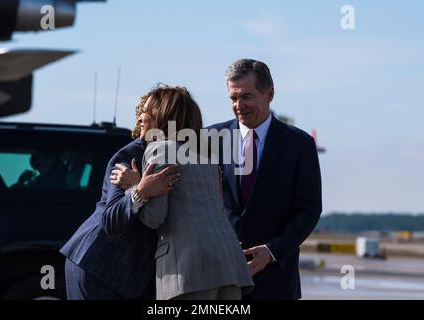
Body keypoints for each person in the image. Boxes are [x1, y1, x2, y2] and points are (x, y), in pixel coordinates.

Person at [208, 59, 322, 300]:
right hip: (218, 280)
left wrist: (272, 251)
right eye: (233, 98)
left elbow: (309, 210)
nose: (239, 105)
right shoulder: (209, 139)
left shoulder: (299, 145)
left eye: (246, 96)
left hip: (275, 282)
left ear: (269, 94)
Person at [131, 84, 254, 300]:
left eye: (149, 111)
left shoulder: (160, 149)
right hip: (229, 265)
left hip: (189, 271)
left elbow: (154, 218)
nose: (142, 118)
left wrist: (134, 188)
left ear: (162, 114)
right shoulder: (205, 156)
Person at [60, 95, 180, 300]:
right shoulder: (129, 156)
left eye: (149, 111)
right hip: (99, 267)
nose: (141, 117)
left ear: (165, 117)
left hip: (118, 274)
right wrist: (140, 191)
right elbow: (111, 220)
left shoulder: (173, 154)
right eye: (142, 110)